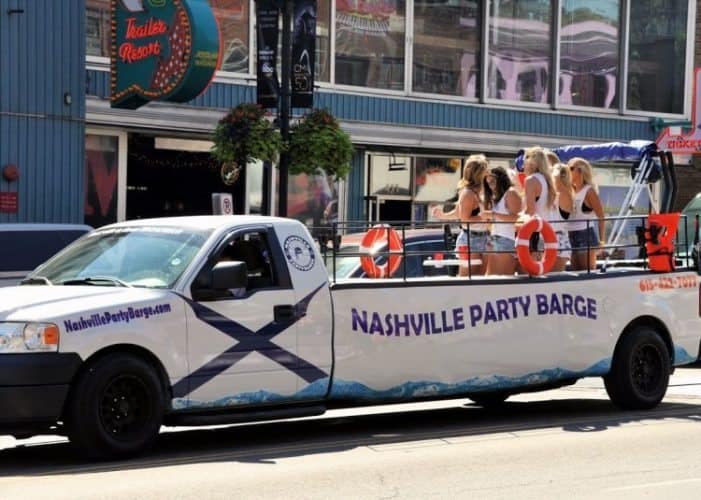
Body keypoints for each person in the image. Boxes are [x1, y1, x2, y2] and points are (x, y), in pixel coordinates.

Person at [432, 154, 489, 276]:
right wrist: (483, 217)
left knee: (482, 280)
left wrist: (444, 216)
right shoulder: (468, 193)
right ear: (479, 172)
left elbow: (458, 213)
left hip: (484, 237)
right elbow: (464, 220)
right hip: (470, 239)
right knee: (467, 279)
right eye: (485, 169)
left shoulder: (483, 191)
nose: (487, 172)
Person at [482, 166, 522, 276]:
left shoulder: (511, 193)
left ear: (501, 179)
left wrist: (494, 215)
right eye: (488, 183)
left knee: (502, 279)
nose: (490, 186)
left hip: (507, 240)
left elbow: (519, 219)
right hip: (494, 240)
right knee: (490, 279)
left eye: (492, 182)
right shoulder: (497, 197)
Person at [521, 147, 558, 266]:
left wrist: (515, 218)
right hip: (546, 230)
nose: (523, 164)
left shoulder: (531, 180)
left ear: (531, 163)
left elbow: (530, 211)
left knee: (531, 269)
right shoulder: (547, 180)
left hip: (534, 232)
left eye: (524, 160)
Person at [568, 157, 606, 271]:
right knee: (575, 272)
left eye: (571, 168)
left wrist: (602, 241)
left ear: (580, 171)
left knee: (587, 272)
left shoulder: (589, 191)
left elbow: (601, 216)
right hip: (570, 234)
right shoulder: (570, 190)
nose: (568, 171)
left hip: (585, 234)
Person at [550, 163, 574, 271]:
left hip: (558, 241)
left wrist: (556, 173)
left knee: (554, 280)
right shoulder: (552, 194)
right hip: (546, 239)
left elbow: (558, 186)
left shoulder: (565, 194)